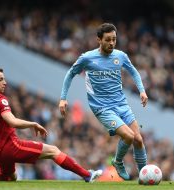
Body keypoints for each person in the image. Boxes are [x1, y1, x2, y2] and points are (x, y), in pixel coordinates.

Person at [0, 67, 102, 182]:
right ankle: (87, 175)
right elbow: (12, 121)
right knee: (53, 151)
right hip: (11, 147)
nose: (4, 83)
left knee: (11, 177)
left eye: (4, 79)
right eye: (0, 80)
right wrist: (32, 124)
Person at [59, 23, 148, 180]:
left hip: (121, 104)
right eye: (108, 40)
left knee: (139, 139)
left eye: (114, 39)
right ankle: (117, 161)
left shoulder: (120, 56)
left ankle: (144, 177)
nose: (112, 43)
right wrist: (63, 98)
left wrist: (142, 90)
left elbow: (133, 71)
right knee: (129, 136)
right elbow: (70, 74)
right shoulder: (87, 58)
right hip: (102, 108)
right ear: (99, 40)